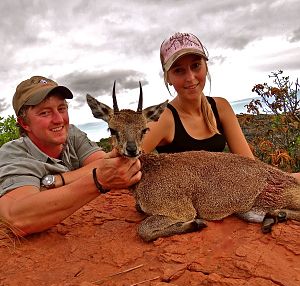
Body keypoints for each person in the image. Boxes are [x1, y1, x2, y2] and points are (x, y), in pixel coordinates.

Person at [142, 32, 300, 183]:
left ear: (206, 67)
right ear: (168, 77)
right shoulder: (163, 119)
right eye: (178, 70)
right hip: (183, 207)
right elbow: (123, 166)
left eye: (196, 66)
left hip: (222, 201)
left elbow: (250, 166)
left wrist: (289, 179)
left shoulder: (220, 107)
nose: (190, 78)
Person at [0, 76, 141, 236]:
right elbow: (17, 218)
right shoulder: (13, 155)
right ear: (25, 124)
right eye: (45, 113)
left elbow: (107, 164)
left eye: (61, 108)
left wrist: (55, 181)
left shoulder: (72, 133)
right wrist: (97, 181)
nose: (59, 120)